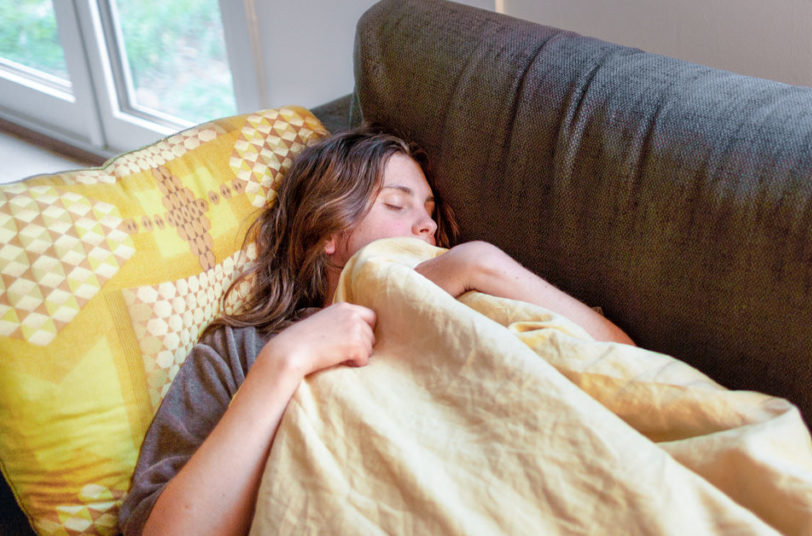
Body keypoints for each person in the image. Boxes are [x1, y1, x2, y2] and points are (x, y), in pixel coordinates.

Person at [118, 123, 634, 536]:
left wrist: (481, 263)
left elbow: (625, 365)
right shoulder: (242, 348)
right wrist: (286, 362)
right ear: (328, 233)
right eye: (396, 204)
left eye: (431, 212)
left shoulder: (471, 293)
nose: (426, 225)